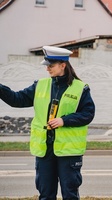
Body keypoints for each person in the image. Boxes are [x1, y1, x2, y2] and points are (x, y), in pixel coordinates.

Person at [0, 46, 95, 199]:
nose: (47, 69)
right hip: (45, 149)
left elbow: (88, 114)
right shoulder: (40, 85)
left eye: (51, 65)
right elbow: (16, 99)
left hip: (68, 151)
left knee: (70, 194)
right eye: (47, 65)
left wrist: (64, 120)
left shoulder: (80, 88)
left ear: (63, 65)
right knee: (45, 194)